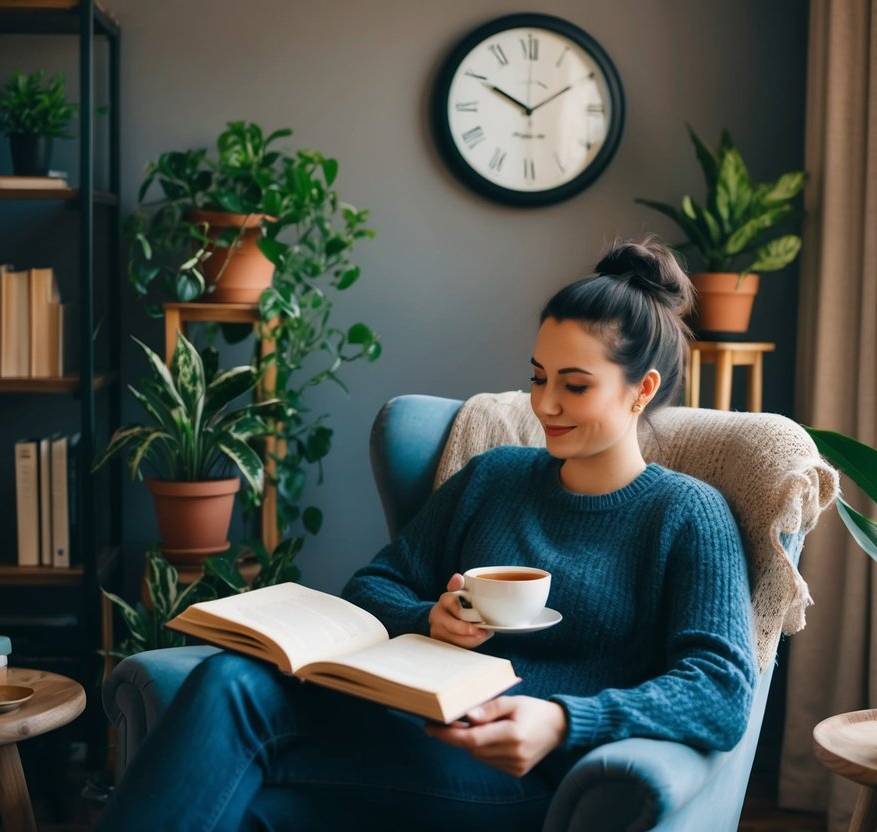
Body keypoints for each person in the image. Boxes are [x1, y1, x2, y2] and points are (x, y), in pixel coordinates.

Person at [97, 237, 757, 832]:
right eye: (537, 377)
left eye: (574, 385)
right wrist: (431, 619)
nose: (544, 405)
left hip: (519, 775)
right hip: (409, 727)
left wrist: (563, 721)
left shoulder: (685, 514)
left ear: (640, 390)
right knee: (231, 692)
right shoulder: (495, 477)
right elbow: (374, 585)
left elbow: (720, 689)